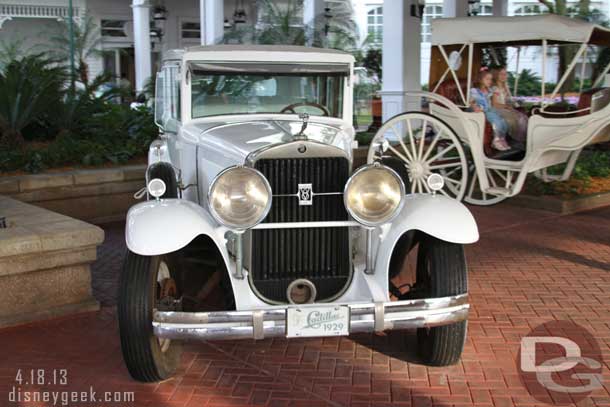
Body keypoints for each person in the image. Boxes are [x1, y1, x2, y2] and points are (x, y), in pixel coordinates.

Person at [470, 69, 511, 151]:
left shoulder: (489, 90)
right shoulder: (474, 91)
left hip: (489, 109)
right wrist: (474, 106)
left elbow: (493, 99)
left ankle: (502, 139)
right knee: (497, 121)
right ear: (480, 80)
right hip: (481, 111)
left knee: (504, 122)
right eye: (487, 79)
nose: (490, 81)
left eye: (491, 79)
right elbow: (471, 101)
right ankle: (496, 141)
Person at [492, 67, 528, 146]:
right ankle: (516, 140)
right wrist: (506, 106)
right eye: (501, 74)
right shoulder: (495, 88)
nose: (504, 76)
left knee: (523, 117)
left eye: (505, 74)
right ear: (496, 75)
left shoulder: (505, 87)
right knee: (515, 118)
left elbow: (508, 99)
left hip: (504, 107)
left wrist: (516, 102)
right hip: (497, 109)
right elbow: (494, 104)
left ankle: (522, 139)